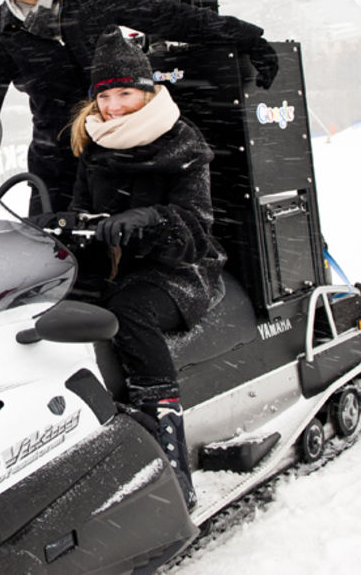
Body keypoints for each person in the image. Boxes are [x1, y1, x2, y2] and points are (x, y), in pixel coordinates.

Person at [0, 0, 275, 213]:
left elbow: (165, 17)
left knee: (134, 249)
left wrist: (246, 35)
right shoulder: (0, 35)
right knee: (53, 257)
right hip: (56, 169)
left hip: (121, 156)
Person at [50, 26, 227, 510]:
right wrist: (68, 225)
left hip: (178, 271)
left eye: (125, 93)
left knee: (129, 313)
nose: (113, 106)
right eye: (104, 96)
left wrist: (150, 221)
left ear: (147, 92)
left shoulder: (184, 147)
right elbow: (84, 211)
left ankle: (168, 446)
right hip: (111, 267)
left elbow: (195, 230)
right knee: (55, 315)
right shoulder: (95, 143)